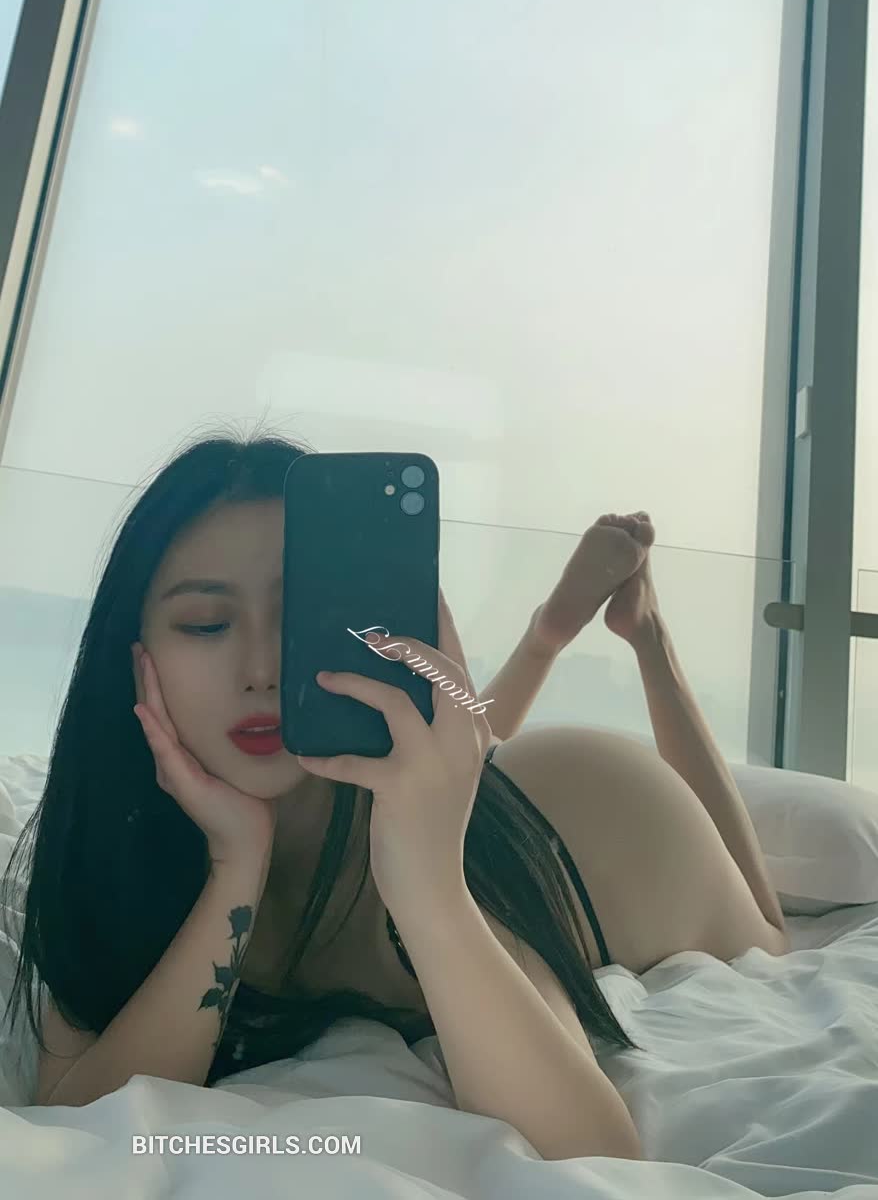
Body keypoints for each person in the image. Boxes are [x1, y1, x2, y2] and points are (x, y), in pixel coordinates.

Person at [0, 428, 789, 1160]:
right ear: (132, 655)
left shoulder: (431, 846)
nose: (261, 669)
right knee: (464, 750)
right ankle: (548, 632)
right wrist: (234, 868)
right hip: (479, 780)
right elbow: (77, 1118)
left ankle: (645, 636)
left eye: (300, 618)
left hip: (604, 820)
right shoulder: (106, 856)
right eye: (206, 623)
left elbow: (598, 1156)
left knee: (770, 931)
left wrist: (432, 887)